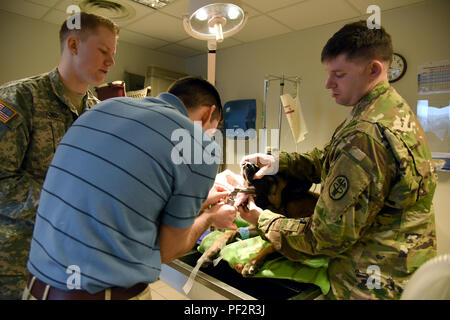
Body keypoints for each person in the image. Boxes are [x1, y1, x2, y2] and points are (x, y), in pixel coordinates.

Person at [238, 20, 437, 300]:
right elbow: (328, 158)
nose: (328, 84)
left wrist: (264, 220)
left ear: (374, 69)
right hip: (404, 271)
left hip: (370, 284)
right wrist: (278, 162)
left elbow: (324, 236)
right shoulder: (389, 112)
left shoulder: (367, 133)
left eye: (339, 74)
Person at [23, 76, 237, 300]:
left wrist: (201, 198)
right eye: (211, 132)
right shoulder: (198, 145)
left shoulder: (103, 108)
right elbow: (168, 250)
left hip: (35, 286)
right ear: (208, 113)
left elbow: (119, 194)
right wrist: (211, 217)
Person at [0, 12, 119, 299]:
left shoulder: (99, 113)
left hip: (69, 259)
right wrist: (64, 205)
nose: (111, 62)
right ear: (74, 45)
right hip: (16, 262)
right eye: (103, 51)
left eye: (113, 53)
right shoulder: (17, 100)